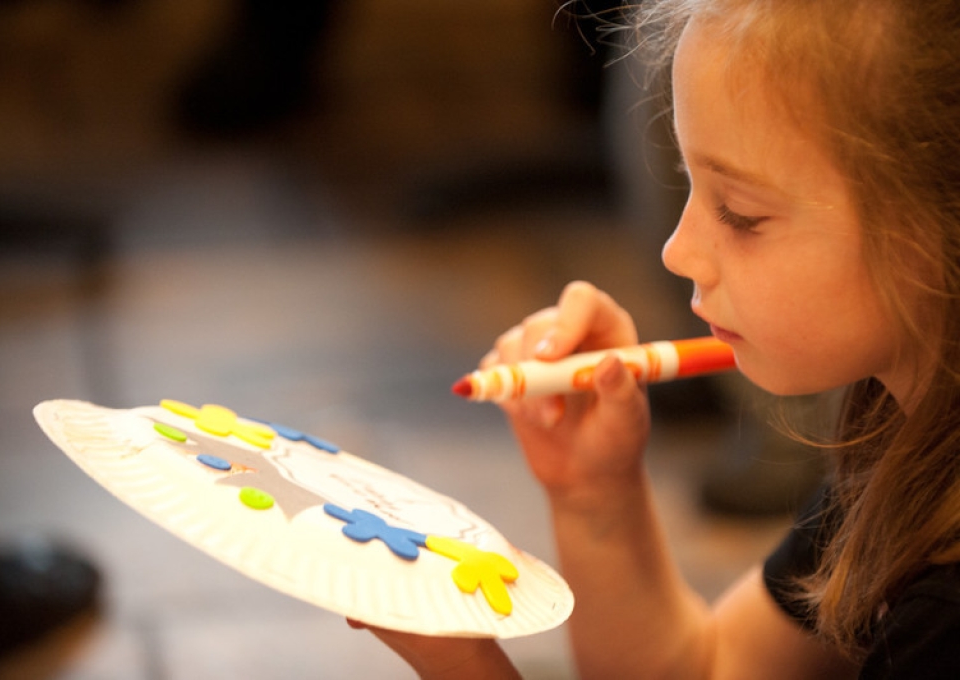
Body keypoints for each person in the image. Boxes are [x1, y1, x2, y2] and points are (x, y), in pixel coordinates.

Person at [351, 0, 960, 677]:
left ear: (933, 231)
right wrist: (596, 500)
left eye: (740, 213)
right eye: (689, 185)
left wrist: (464, 665)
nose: (678, 251)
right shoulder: (901, 449)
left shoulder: (943, 622)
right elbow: (713, 667)